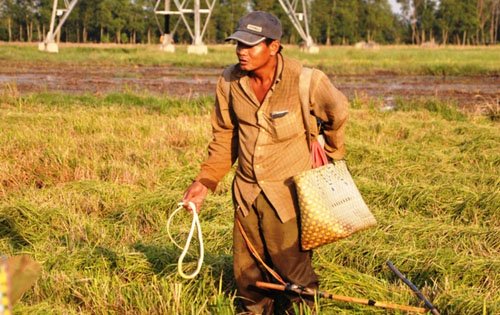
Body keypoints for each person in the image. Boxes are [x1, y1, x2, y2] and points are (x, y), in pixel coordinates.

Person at [182, 11, 348, 314]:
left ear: (274, 46)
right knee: (248, 278)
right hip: (246, 195)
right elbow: (224, 135)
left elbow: (338, 112)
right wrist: (204, 181)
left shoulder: (306, 80)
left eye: (250, 45)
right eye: (238, 44)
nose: (241, 52)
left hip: (286, 197)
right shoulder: (230, 81)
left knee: (294, 275)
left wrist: (332, 152)